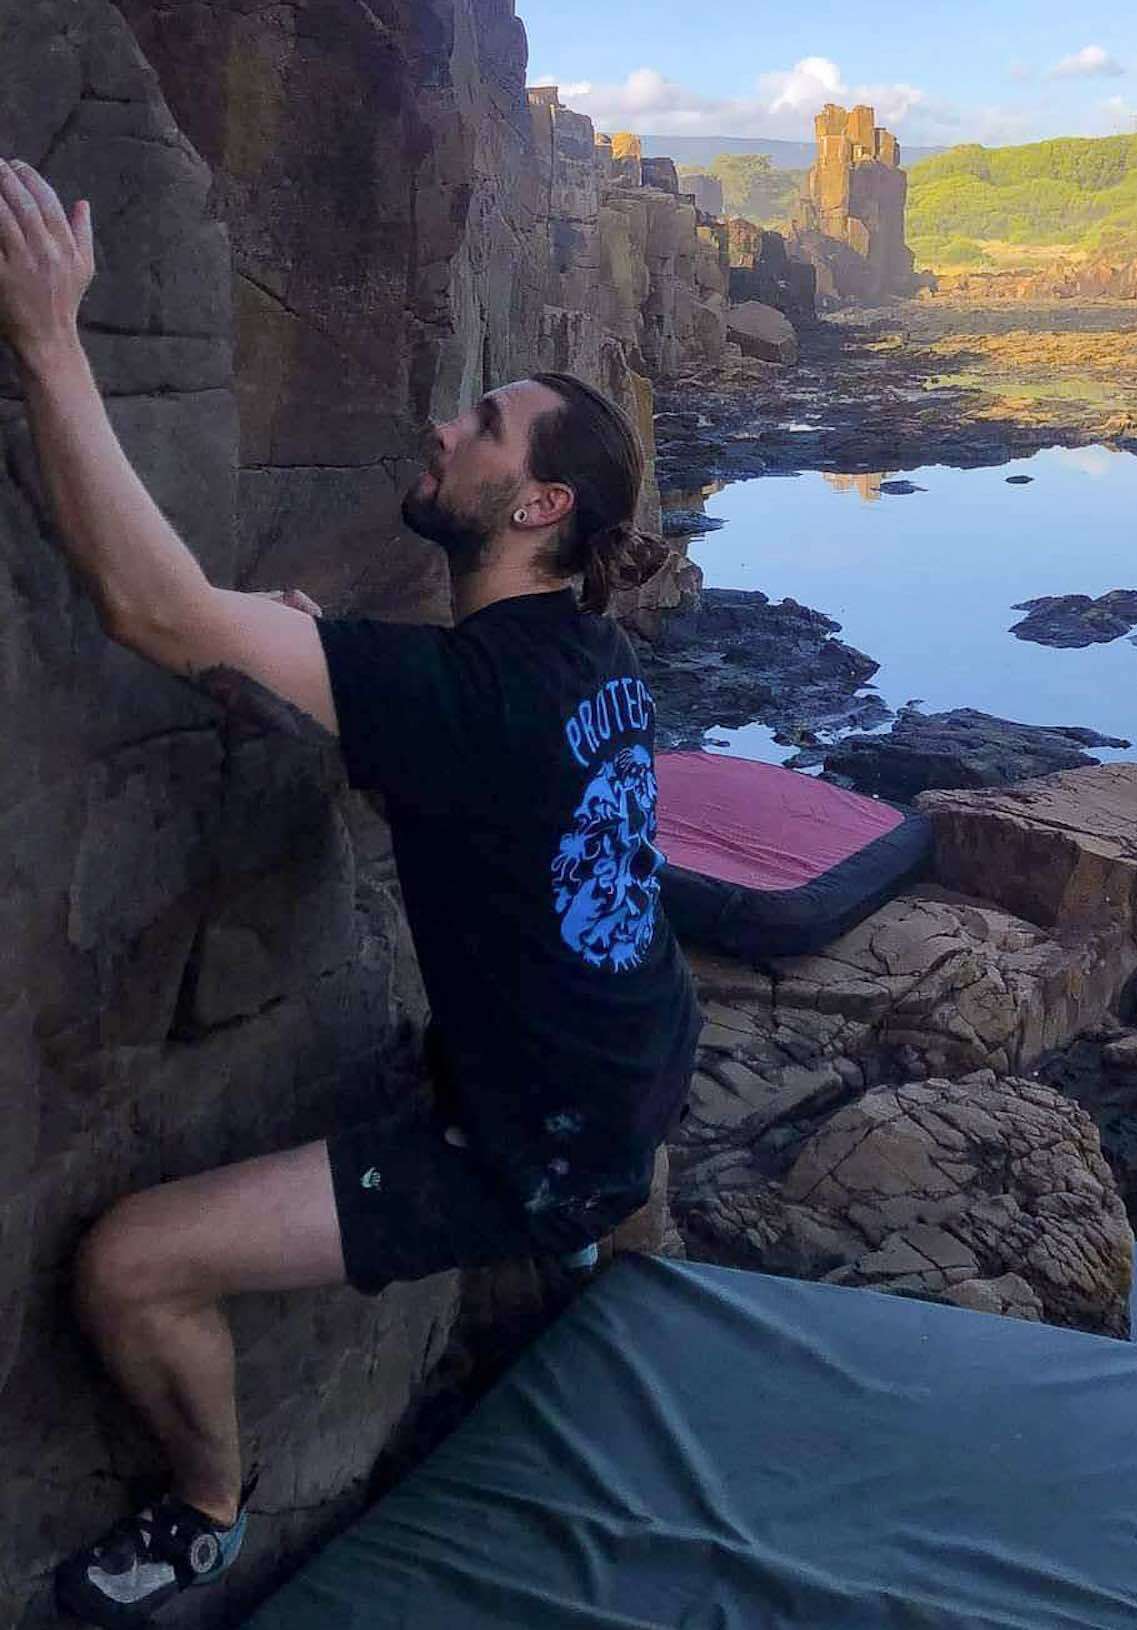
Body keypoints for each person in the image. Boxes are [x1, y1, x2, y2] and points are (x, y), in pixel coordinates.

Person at [0, 159, 703, 1625]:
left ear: (539, 501)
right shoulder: (590, 658)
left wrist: (50, 337)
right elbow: (465, 766)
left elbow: (153, 609)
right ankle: (584, 1211)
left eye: (485, 425)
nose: (447, 426)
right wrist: (324, 674)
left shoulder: (456, 698)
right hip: (640, 1061)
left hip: (536, 1144)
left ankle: (205, 1505)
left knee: (131, 1267)